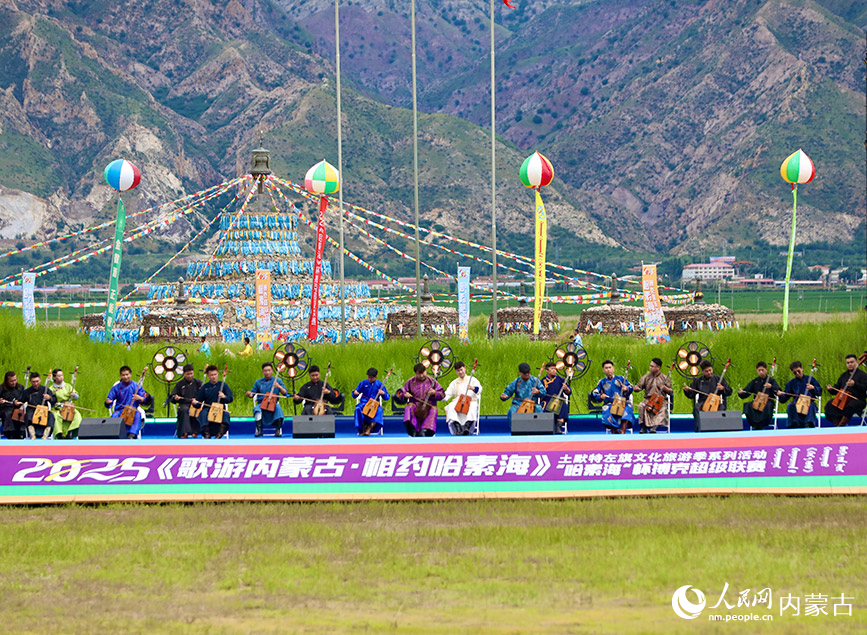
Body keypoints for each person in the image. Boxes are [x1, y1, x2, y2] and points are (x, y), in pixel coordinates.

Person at [394, 363, 445, 437]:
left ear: (426, 371)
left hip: (429, 405)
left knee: (433, 410)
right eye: (419, 374)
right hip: (415, 404)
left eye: (423, 373)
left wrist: (434, 393)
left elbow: (442, 393)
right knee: (408, 408)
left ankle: (426, 430)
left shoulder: (432, 381)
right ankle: (412, 429)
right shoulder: (410, 382)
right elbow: (400, 393)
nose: (421, 375)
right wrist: (405, 395)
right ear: (416, 373)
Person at [683, 360, 732, 432]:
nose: (709, 372)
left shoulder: (718, 379)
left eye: (710, 370)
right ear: (702, 371)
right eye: (706, 371)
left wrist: (723, 388)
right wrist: (687, 390)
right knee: (696, 408)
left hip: (716, 403)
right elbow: (691, 393)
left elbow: (729, 391)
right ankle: (699, 429)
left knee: (721, 408)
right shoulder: (699, 381)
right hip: (703, 402)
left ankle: (719, 430)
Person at [105, 365, 149, 439]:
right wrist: (108, 402)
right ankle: (114, 435)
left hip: (133, 410)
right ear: (121, 376)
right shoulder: (116, 387)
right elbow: (109, 399)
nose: (125, 377)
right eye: (123, 375)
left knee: (138, 415)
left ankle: (132, 435)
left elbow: (144, 398)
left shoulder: (136, 386)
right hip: (120, 410)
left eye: (127, 374)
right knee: (114, 416)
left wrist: (140, 398)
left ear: (130, 374)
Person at [592, 360, 636, 434]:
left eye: (610, 367)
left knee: (627, 408)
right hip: (610, 403)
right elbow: (595, 392)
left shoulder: (621, 379)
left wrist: (626, 388)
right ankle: (614, 431)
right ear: (603, 370)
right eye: (606, 368)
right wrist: (601, 396)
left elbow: (631, 386)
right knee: (606, 409)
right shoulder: (602, 382)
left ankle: (623, 431)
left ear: (613, 368)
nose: (608, 369)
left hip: (622, 402)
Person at [824, 354, 867, 427]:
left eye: (852, 362)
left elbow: (865, 388)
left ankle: (842, 425)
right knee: (830, 404)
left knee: (851, 405)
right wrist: (831, 389)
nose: (850, 364)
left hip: (858, 400)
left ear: (856, 362)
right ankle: (837, 425)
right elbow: (837, 388)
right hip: (843, 399)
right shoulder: (843, 375)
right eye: (848, 363)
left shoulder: (863, 375)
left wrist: (855, 384)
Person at [247, 362, 288, 437]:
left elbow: (285, 393)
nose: (267, 372)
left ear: (272, 371)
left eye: (269, 370)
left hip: (273, 403)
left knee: (278, 408)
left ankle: (278, 430)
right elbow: (252, 394)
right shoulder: (258, 382)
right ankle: (259, 430)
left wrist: (279, 386)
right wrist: (249, 394)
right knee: (257, 409)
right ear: (263, 371)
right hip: (262, 404)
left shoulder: (278, 380)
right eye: (265, 371)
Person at [737, 361, 782, 430]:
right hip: (756, 402)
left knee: (766, 407)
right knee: (747, 405)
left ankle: (761, 424)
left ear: (766, 370)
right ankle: (754, 423)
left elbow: (778, 391)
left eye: (762, 370)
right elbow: (747, 391)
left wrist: (771, 387)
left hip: (768, 402)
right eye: (759, 370)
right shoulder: (755, 381)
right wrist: (741, 392)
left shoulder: (771, 380)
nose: (761, 372)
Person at [634, 358, 673, 433]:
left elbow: (671, 391)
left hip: (661, 400)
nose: (650, 368)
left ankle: (654, 427)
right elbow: (638, 387)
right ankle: (643, 427)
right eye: (650, 366)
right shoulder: (646, 377)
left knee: (663, 409)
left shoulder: (665, 378)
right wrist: (636, 388)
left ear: (658, 368)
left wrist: (665, 388)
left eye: (652, 366)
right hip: (649, 399)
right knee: (641, 406)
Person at [443, 360, 482, 435]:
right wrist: (439, 395)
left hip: (471, 400)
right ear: (456, 372)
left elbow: (479, 389)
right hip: (458, 401)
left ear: (465, 368)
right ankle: (458, 427)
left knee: (473, 406)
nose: (460, 372)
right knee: (451, 406)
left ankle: (467, 427)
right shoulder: (454, 382)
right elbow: (447, 394)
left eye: (461, 370)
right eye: (458, 371)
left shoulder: (473, 380)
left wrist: (473, 388)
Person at [778, 361, 822, 428]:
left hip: (809, 402)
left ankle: (808, 425)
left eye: (798, 371)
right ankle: (793, 425)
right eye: (795, 373)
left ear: (802, 368)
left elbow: (819, 392)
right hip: (797, 402)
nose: (797, 373)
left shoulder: (810, 379)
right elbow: (785, 397)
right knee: (790, 406)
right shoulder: (791, 383)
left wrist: (813, 388)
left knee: (810, 407)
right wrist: (780, 394)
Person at [197, 365, 232, 438]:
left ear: (218, 375)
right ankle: (207, 434)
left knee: (226, 414)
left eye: (215, 374)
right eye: (211, 375)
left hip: (220, 408)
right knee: (203, 414)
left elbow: (230, 398)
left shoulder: (223, 385)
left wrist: (224, 396)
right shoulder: (205, 387)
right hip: (208, 408)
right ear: (208, 376)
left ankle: (220, 434)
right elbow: (198, 402)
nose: (214, 377)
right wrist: (195, 402)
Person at [352, 367, 390, 436]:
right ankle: (361, 428)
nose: (370, 379)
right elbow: (355, 392)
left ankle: (370, 428)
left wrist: (383, 393)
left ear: (376, 377)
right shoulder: (363, 383)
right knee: (357, 408)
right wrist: (355, 393)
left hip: (375, 404)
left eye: (372, 378)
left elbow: (387, 397)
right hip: (364, 403)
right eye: (369, 377)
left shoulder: (379, 384)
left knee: (379, 410)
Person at [49, 368, 82, 439]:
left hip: (68, 407)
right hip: (58, 408)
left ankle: (71, 432)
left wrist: (74, 395)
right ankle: (59, 434)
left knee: (77, 415)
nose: (61, 377)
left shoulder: (68, 386)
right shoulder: (51, 388)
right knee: (56, 416)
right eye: (59, 376)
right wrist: (54, 403)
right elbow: (50, 402)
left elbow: (76, 396)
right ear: (54, 377)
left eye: (62, 375)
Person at [22, 372, 56, 440]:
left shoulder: (45, 389)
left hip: (44, 411)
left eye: (37, 381)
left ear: (40, 380)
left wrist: (49, 398)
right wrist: (18, 403)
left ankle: (45, 436)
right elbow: (21, 400)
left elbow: (54, 400)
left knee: (51, 416)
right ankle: (32, 435)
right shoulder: (27, 391)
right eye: (33, 382)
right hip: (32, 410)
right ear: (30, 381)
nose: (35, 383)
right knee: (28, 415)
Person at [171, 364, 202, 438]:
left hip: (195, 403)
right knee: (184, 410)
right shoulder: (179, 384)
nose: (190, 376)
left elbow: (203, 394)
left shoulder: (198, 383)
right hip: (184, 404)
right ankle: (185, 432)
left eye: (191, 373)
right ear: (184, 373)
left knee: (199, 410)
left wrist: (197, 400)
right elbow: (172, 397)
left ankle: (195, 431)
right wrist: (175, 398)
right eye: (188, 374)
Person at [540, 361, 571, 433]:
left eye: (555, 369)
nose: (554, 370)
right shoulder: (542, 381)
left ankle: (558, 426)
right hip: (547, 401)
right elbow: (540, 394)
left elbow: (569, 392)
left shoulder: (561, 380)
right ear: (547, 370)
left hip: (559, 401)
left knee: (564, 405)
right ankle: (547, 426)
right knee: (544, 405)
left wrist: (566, 388)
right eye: (552, 369)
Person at [0, 371, 26, 439]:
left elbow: (25, 399)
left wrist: (19, 402)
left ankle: (21, 432)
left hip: (18, 408)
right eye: (11, 381)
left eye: (15, 380)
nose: (14, 382)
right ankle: (10, 433)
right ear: (7, 381)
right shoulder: (1, 388)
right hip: (5, 408)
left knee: (21, 413)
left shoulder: (21, 388)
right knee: (8, 413)